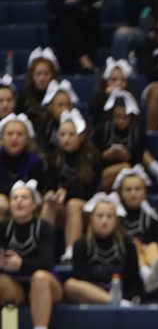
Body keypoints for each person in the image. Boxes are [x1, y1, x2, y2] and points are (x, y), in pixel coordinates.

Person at [0, 180, 62, 329]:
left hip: (46, 284)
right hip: (16, 286)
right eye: (15, 198)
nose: (19, 201)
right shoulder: (3, 227)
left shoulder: (44, 228)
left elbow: (46, 262)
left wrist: (21, 264)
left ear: (34, 205)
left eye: (24, 198)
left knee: (40, 277)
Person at [42, 109, 101, 265]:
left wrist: (66, 193)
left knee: (73, 204)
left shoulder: (92, 157)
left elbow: (90, 192)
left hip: (88, 208)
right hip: (64, 207)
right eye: (62, 135)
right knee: (49, 203)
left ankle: (71, 253)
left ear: (81, 137)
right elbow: (49, 184)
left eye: (71, 135)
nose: (66, 139)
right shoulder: (54, 157)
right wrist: (51, 194)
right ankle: (41, 251)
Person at [64, 193, 142, 305]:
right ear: (91, 218)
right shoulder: (81, 245)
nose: (104, 221)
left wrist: (133, 298)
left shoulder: (127, 245)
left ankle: (119, 302)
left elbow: (134, 280)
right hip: (91, 298)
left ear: (116, 220)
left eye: (109, 216)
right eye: (100, 216)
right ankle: (113, 301)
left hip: (122, 296)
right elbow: (81, 281)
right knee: (70, 285)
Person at [114, 166, 158, 293]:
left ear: (144, 192)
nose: (133, 193)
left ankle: (154, 272)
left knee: (152, 246)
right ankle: (147, 276)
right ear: (120, 193)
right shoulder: (115, 219)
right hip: (124, 259)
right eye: (128, 190)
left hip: (148, 256)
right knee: (133, 247)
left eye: (137, 189)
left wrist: (145, 247)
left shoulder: (152, 221)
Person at [94, 89, 146, 192]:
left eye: (125, 117)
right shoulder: (102, 130)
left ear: (131, 117)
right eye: (117, 117)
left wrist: (128, 157)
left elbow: (139, 161)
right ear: (111, 115)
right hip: (103, 173)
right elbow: (92, 159)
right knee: (124, 167)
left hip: (130, 175)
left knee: (127, 169)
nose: (121, 121)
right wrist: (105, 155)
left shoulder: (137, 133)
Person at [0, 114, 46, 219]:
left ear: (27, 139)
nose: (14, 138)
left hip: (28, 201)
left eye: (19, 134)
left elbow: (38, 191)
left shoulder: (35, 161)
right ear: (2, 137)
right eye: (10, 134)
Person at [47, 0, 101, 74]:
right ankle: (83, 58)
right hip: (61, 33)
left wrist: (67, 8)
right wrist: (79, 8)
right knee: (64, 22)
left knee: (65, 21)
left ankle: (81, 60)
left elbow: (92, 16)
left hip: (87, 33)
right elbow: (53, 7)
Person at [16, 47, 58, 127]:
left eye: (46, 74)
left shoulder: (59, 95)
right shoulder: (24, 98)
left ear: (52, 75)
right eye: (38, 74)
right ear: (32, 76)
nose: (42, 78)